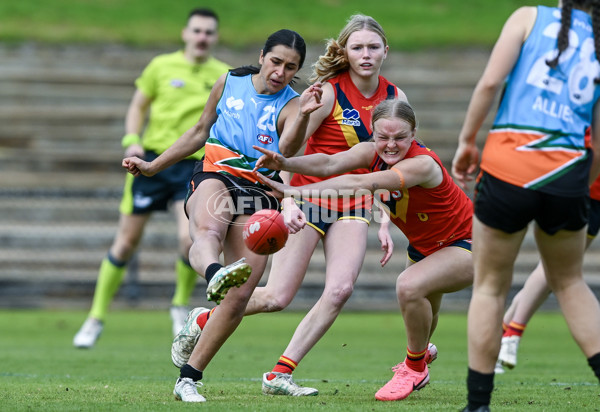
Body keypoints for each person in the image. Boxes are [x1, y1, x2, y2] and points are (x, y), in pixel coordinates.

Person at [167, 14, 407, 397]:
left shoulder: (395, 99)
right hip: (305, 198)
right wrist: (288, 200)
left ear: (385, 52)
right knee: (276, 297)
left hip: (353, 200)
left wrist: (385, 214)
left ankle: (279, 372)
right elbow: (286, 154)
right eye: (357, 47)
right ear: (345, 51)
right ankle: (207, 317)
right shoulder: (325, 92)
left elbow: (389, 160)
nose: (365, 55)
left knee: (341, 289)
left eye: (373, 47)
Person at [123, 29, 323, 403]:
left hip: (260, 190)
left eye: (290, 67)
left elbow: (288, 151)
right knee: (207, 232)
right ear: (262, 55)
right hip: (215, 173)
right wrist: (152, 166)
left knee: (240, 295)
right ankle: (216, 274)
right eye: (276, 61)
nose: (280, 71)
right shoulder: (229, 81)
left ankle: (188, 379)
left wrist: (304, 117)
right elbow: (200, 131)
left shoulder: (296, 103)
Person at [253, 98, 474, 401]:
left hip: (469, 244)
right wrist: (286, 163)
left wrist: (294, 191)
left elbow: (361, 183)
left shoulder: (422, 164)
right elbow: (329, 163)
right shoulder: (370, 151)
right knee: (425, 314)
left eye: (400, 137)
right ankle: (420, 357)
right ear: (372, 133)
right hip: (424, 247)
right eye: (383, 137)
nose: (391, 145)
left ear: (414, 133)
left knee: (409, 286)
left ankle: (413, 368)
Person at [451, 2, 600, 411]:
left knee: (489, 285)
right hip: (569, 173)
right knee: (570, 282)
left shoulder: (528, 17)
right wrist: (579, 186)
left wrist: (467, 141)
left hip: (507, 168)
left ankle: (478, 404)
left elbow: (488, 84)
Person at [72, 8, 231, 348]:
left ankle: (178, 305)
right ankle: (96, 317)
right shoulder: (161, 66)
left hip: (192, 164)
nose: (202, 37)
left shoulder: (223, 75)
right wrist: (132, 139)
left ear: (215, 38)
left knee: (188, 239)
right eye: (197, 31)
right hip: (151, 160)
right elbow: (137, 106)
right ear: (185, 33)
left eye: (209, 32)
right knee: (126, 243)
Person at [495, 175, 600, 374]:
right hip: (580, 191)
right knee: (559, 271)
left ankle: (503, 334)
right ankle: (512, 332)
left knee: (553, 270)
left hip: (575, 189)